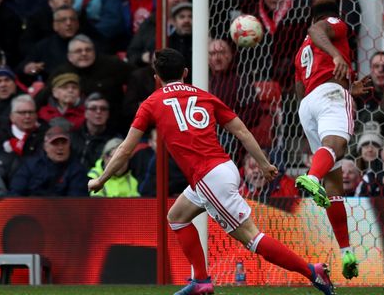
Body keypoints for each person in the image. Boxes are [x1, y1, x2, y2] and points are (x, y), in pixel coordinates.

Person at [88, 48, 336, 295]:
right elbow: (241, 131)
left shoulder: (151, 103)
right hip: (221, 169)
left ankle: (312, 271)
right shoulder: (204, 96)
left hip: (208, 176)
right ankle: (201, 280)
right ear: (185, 73)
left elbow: (124, 149)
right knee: (177, 216)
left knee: (251, 237)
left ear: (156, 77)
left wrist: (101, 179)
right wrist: (263, 163)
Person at [292, 0, 370, 280]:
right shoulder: (333, 26)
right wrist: (338, 59)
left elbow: (301, 89)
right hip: (330, 97)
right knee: (336, 148)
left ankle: (346, 250)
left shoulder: (301, 52)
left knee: (334, 182)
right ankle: (312, 176)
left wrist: (348, 86)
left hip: (308, 105)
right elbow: (316, 30)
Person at [9, 125, 88, 197]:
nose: (60, 148)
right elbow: (15, 193)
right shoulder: (30, 166)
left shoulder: (77, 170)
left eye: (64, 143)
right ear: (45, 146)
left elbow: (76, 203)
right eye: (55, 143)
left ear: (69, 145)